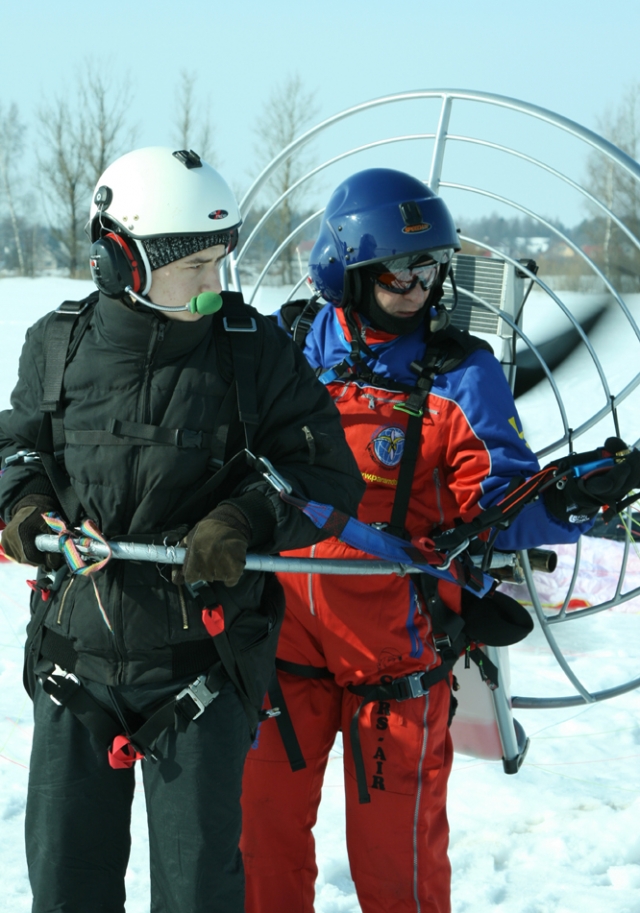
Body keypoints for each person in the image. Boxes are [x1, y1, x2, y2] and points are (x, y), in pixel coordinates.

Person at [240, 167, 640, 913]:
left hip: (397, 660)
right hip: (282, 651)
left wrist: (576, 498)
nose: (417, 285)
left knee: (398, 874)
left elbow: (500, 500)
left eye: (431, 266)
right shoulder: (285, 347)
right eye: (397, 268)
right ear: (347, 269)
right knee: (260, 850)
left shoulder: (461, 374)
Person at [0, 146, 365, 913]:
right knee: (65, 885)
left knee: (200, 890)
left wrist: (246, 516)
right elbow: (14, 449)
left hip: (200, 671)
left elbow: (330, 478)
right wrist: (25, 507)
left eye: (219, 260)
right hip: (76, 667)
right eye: (194, 265)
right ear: (121, 261)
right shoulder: (55, 345)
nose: (214, 282)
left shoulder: (254, 352)